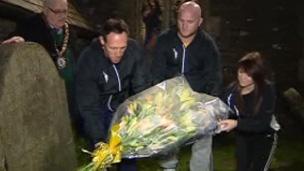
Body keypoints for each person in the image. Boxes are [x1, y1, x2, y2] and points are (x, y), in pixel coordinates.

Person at [150, 1, 222, 171]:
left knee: (202, 145)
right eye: (181, 20)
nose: (184, 25)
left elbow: (214, 76)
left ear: (200, 21)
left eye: (190, 22)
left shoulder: (207, 45)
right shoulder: (165, 40)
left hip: (199, 103)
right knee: (169, 144)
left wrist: (209, 105)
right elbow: (156, 73)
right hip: (170, 103)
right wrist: (160, 101)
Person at [76, 18, 148, 171]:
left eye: (123, 48)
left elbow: (140, 86)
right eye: (113, 48)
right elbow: (88, 107)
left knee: (128, 153)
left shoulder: (134, 50)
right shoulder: (88, 60)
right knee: (103, 159)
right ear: (102, 41)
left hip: (122, 106)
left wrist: (142, 114)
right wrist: (99, 142)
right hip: (98, 109)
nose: (118, 53)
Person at [1, 0, 82, 135]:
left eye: (65, 11)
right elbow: (14, 40)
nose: (62, 16)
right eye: (57, 11)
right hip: (44, 91)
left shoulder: (70, 32)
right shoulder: (30, 25)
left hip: (69, 91)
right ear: (45, 10)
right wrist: (17, 41)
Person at [219, 52, 279, 171]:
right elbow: (220, 108)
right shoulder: (231, 90)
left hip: (264, 137)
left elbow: (262, 123)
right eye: (241, 72)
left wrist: (236, 124)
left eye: (249, 74)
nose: (243, 77)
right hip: (242, 136)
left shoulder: (267, 90)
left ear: (258, 76)